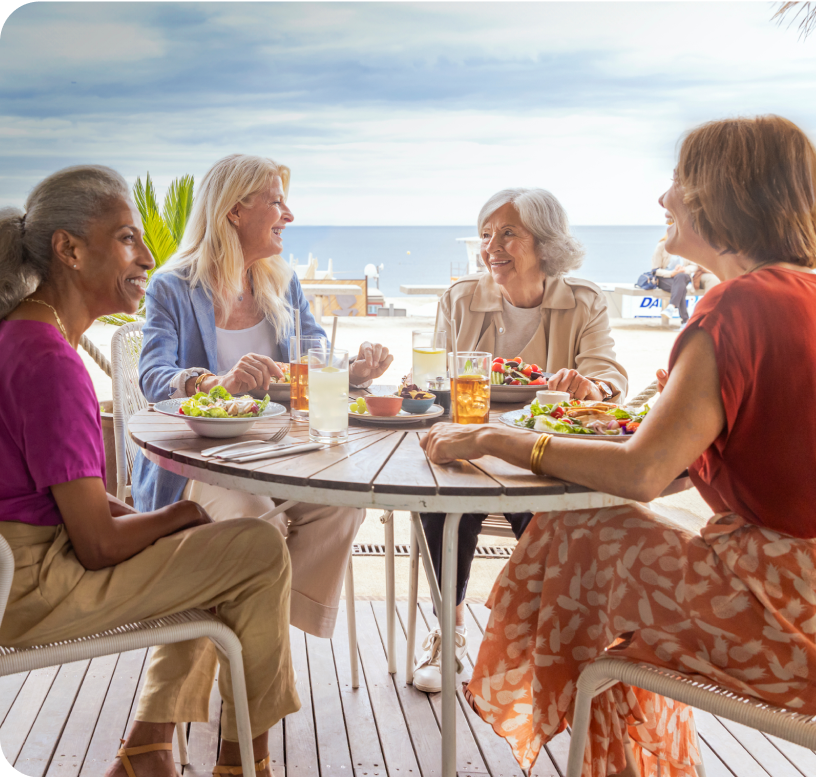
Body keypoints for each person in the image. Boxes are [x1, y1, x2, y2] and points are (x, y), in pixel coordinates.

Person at [420, 115, 816, 777]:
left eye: (678, 183)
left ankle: (558, 727)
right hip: (802, 589)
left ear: (723, 195)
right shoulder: (800, 292)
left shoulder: (735, 308)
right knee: (590, 543)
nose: (664, 200)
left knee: (581, 533)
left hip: (783, 615)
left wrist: (497, 437)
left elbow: (643, 472)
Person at [0, 165, 298, 777]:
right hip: (29, 588)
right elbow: (99, 544)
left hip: (22, 561)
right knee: (257, 550)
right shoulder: (51, 362)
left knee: (231, 547)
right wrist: (183, 514)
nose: (149, 254)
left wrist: (167, 526)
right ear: (70, 250)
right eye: (128, 238)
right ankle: (242, 762)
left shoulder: (21, 336)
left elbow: (60, 494)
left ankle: (153, 750)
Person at [132, 153, 392, 640]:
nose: (289, 216)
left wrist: (351, 372)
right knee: (256, 528)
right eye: (276, 202)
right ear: (234, 211)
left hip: (280, 456)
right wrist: (214, 384)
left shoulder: (282, 281)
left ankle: (261, 633)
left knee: (341, 507)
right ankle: (256, 647)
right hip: (200, 462)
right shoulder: (173, 286)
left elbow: (316, 360)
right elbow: (153, 375)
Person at [414, 188, 628, 693]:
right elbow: (432, 379)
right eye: (487, 234)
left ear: (545, 242)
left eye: (509, 233)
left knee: (546, 515)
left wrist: (589, 385)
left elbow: (606, 375)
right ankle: (452, 629)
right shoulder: (461, 298)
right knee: (440, 501)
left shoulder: (584, 300)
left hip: (544, 449)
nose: (492, 246)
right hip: (469, 444)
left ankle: (550, 639)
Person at [651, 235, 696, 324]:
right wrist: (671, 273)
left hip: (683, 276)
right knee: (680, 288)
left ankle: (671, 307)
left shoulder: (688, 245)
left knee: (680, 277)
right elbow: (655, 270)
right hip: (665, 278)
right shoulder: (661, 246)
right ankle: (685, 321)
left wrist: (684, 269)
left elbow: (694, 265)